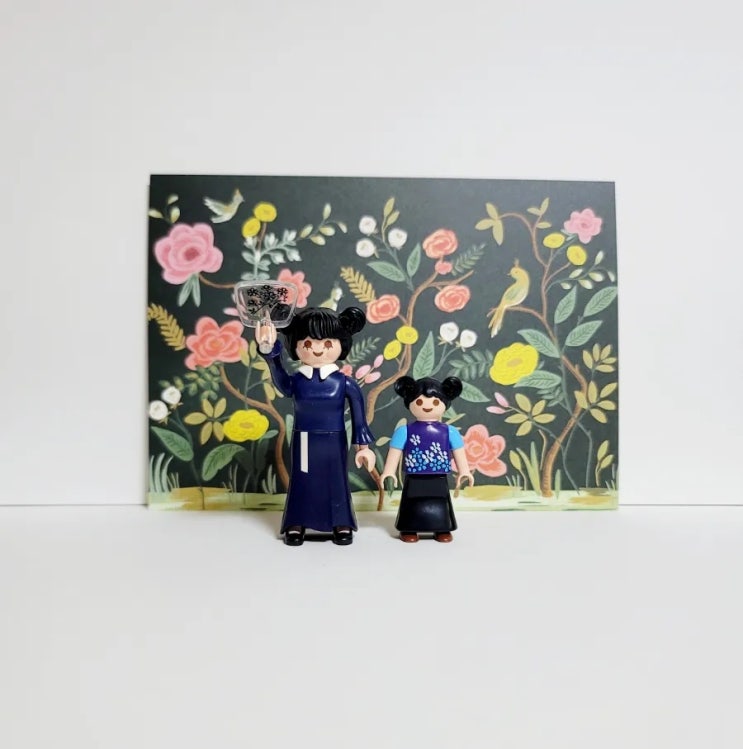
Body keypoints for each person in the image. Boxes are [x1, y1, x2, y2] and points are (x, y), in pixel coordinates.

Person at [257, 307, 375, 546]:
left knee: (336, 480)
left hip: (334, 441)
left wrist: (364, 448)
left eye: (328, 343)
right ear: (297, 346)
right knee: (302, 480)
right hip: (303, 439)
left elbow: (359, 418)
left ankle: (340, 523)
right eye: (308, 343)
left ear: (341, 344)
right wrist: (269, 351)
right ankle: (297, 523)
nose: (318, 349)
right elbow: (281, 382)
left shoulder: (345, 383)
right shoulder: (297, 382)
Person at [380, 376, 474, 542]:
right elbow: (395, 451)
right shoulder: (404, 431)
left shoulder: (449, 431)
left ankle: (442, 528)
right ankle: (409, 528)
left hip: (438, 475)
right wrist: (389, 471)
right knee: (411, 501)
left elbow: (458, 451)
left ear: (445, 403)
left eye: (435, 402)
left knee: (441, 501)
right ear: (410, 403)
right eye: (419, 401)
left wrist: (464, 471)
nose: (427, 406)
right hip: (414, 475)